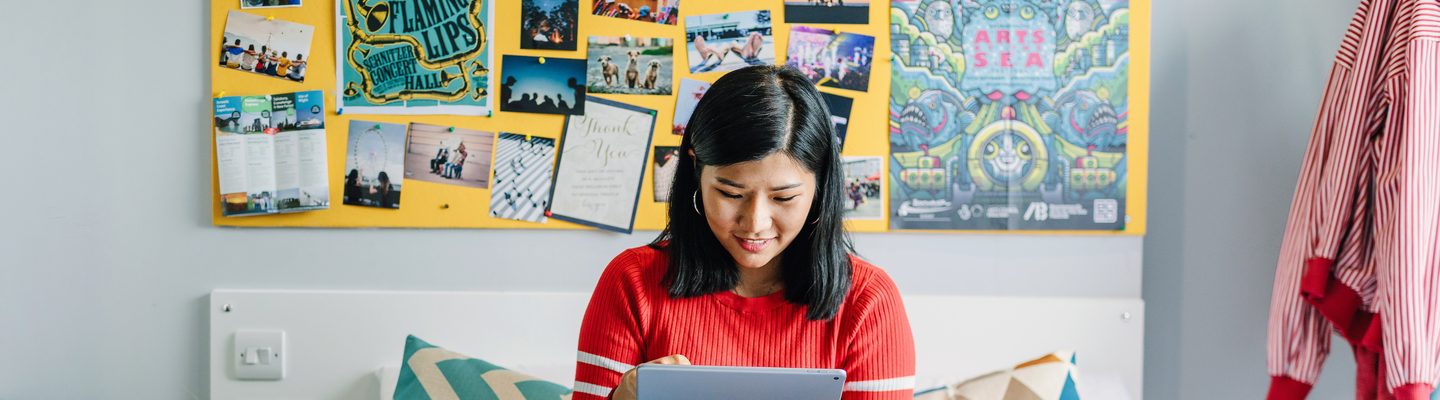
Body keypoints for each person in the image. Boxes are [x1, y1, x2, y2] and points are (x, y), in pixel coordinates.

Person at [573, 66, 915, 400]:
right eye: (731, 194)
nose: (755, 222)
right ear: (695, 170)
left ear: (820, 185)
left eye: (783, 198)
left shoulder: (868, 301)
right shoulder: (632, 282)